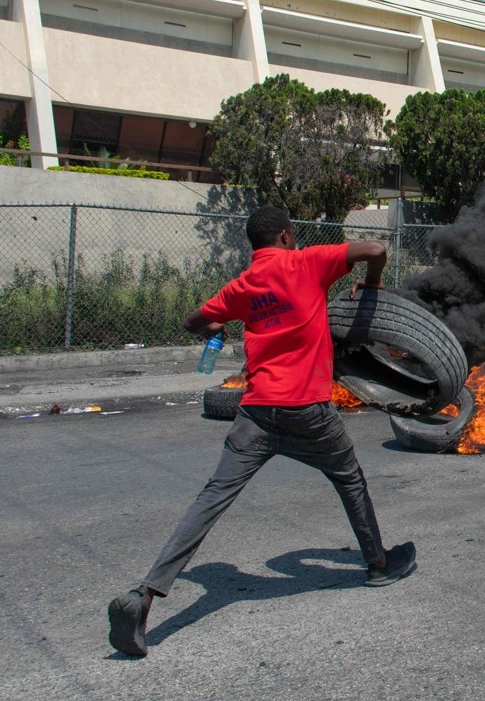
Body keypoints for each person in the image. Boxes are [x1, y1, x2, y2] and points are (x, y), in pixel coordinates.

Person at [107, 206, 415, 658]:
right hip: (308, 410)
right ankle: (378, 564)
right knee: (349, 479)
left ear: (254, 244)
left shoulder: (242, 287)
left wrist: (222, 325)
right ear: (288, 236)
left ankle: (145, 594)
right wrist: (371, 284)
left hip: (256, 414)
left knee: (212, 498)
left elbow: (195, 321)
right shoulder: (307, 261)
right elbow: (376, 248)